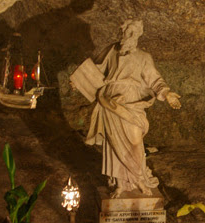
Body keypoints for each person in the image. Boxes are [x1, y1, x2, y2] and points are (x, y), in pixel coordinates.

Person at [72, 19, 181, 198]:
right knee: (114, 144)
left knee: (135, 141)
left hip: (132, 101)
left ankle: (139, 179)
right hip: (110, 101)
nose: (128, 36)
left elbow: (155, 79)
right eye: (126, 32)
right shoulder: (111, 51)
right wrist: (79, 81)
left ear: (138, 35)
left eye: (132, 32)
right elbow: (95, 70)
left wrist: (166, 93)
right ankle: (120, 184)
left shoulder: (144, 57)